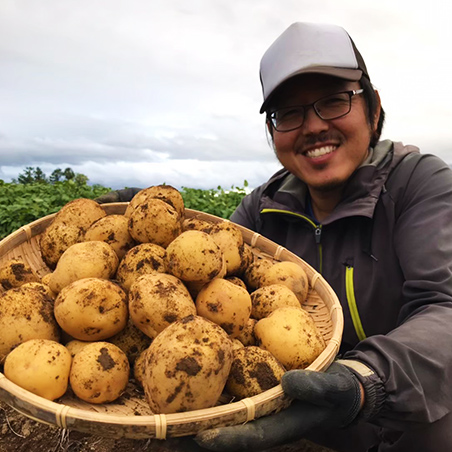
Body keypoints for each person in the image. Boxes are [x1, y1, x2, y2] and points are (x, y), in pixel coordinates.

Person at [99, 22, 452, 452]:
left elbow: (445, 307)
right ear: (273, 132)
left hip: (407, 418)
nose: (313, 126)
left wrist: (365, 381)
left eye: (334, 101)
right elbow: (206, 276)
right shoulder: (261, 207)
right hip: (302, 417)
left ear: (373, 108)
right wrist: (155, 211)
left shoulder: (420, 185)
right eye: (289, 113)